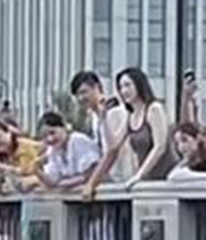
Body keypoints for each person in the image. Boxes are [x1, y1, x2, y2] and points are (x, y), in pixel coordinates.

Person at [82, 67, 177, 197]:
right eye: (121, 87)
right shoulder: (130, 115)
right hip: (147, 178)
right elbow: (114, 146)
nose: (124, 91)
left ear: (139, 85)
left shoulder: (154, 108)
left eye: (128, 85)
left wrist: (139, 175)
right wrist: (103, 120)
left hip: (167, 174)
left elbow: (160, 146)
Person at [71, 71, 137, 182]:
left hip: (123, 178)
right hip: (108, 178)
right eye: (77, 95)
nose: (81, 98)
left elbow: (115, 148)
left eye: (84, 92)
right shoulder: (93, 116)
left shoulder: (114, 111)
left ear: (96, 87)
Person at [36, 111, 101, 189]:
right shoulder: (53, 151)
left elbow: (90, 173)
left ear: (63, 127)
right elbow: (52, 181)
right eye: (44, 136)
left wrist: (63, 183)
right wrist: (36, 170)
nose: (50, 139)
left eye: (52, 133)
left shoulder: (78, 140)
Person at [0, 118, 43, 192]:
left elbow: (26, 172)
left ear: (9, 133)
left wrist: (1, 167)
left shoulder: (25, 147)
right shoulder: (1, 156)